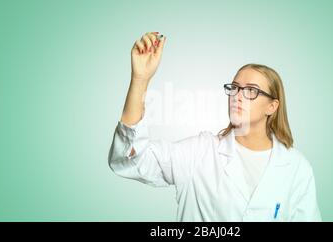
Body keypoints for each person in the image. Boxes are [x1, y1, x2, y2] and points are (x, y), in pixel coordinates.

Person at [108, 32, 321, 222]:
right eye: (234, 88)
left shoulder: (296, 168)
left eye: (251, 91)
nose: (237, 96)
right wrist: (140, 79)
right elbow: (129, 159)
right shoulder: (200, 152)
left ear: (272, 106)